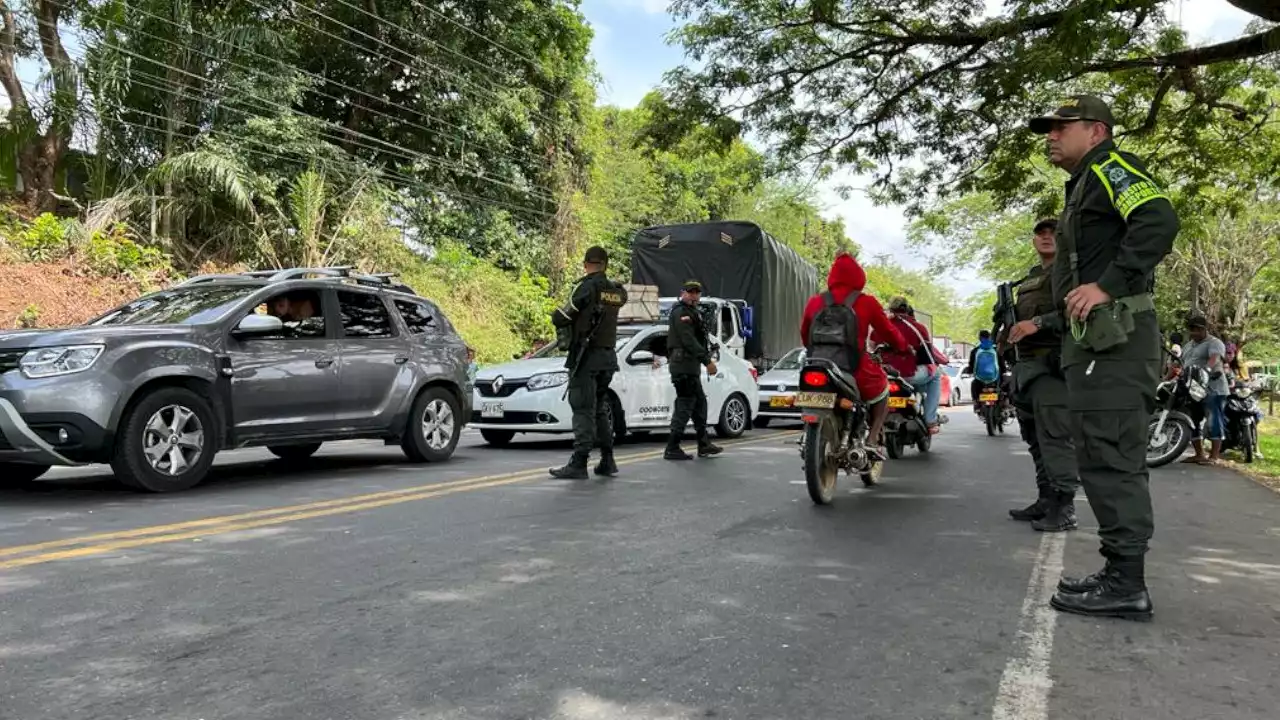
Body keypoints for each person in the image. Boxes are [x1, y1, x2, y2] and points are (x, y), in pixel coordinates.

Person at [1026, 94, 1179, 620]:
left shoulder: (1112, 166)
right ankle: (1119, 574)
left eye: (1060, 127)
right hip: (1094, 346)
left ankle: (1126, 584)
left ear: (1095, 131)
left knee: (1112, 457)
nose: (1050, 136)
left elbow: (1158, 220)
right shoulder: (1085, 184)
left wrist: (1106, 286)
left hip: (1116, 342)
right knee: (1098, 453)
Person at [1002, 217, 1079, 532]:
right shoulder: (1029, 280)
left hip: (1053, 368)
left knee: (1055, 439)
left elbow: (1079, 313)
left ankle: (1065, 508)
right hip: (1026, 369)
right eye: (1040, 233)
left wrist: (1040, 323)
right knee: (1034, 439)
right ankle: (1046, 499)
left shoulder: (1071, 274)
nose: (1046, 237)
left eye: (1052, 233)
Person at [800, 252, 907, 457]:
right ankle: (872, 438)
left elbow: (805, 334)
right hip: (854, 368)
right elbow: (888, 331)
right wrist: (900, 346)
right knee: (883, 388)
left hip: (817, 364)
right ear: (859, 277)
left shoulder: (815, 302)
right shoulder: (866, 302)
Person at [548, 246, 628, 479]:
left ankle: (579, 462)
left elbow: (561, 316)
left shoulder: (585, 287)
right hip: (607, 359)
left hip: (586, 357)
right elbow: (623, 296)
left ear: (586, 264)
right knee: (600, 409)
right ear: (606, 264)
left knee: (583, 408)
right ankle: (607, 459)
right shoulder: (615, 292)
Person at [664, 280, 724, 460]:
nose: (694, 295)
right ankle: (672, 447)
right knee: (685, 404)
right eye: (690, 292)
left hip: (689, 366)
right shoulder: (681, 312)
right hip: (683, 366)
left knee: (699, 404)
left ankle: (703, 443)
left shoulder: (692, 312)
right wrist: (707, 361)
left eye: (697, 292)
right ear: (682, 293)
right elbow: (688, 339)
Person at [876, 297, 943, 434]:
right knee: (935, 375)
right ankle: (930, 420)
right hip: (908, 374)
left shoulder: (881, 326)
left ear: (890, 309)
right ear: (907, 309)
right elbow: (927, 356)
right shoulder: (918, 328)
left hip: (885, 375)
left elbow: (872, 348)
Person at [1179, 315, 1229, 464]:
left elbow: (1215, 358)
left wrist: (1207, 369)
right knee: (1192, 420)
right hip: (1193, 389)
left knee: (1213, 420)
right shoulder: (1188, 346)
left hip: (1213, 388)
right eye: (1191, 330)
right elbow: (1182, 364)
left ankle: (1214, 456)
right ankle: (1199, 454)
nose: (1193, 333)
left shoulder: (1214, 343)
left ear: (1204, 329)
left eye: (1197, 329)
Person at [965, 330, 1006, 413]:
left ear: (980, 338)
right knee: (1005, 386)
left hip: (980, 380)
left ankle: (976, 403)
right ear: (989, 337)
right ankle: (1006, 404)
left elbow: (971, 365)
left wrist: (969, 371)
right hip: (996, 378)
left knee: (974, 385)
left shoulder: (975, 351)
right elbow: (1002, 364)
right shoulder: (996, 349)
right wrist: (1004, 370)